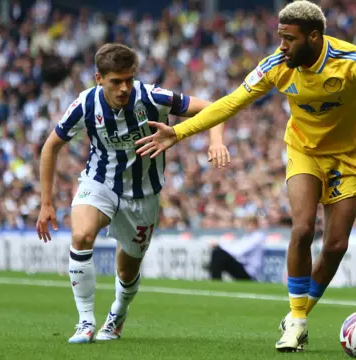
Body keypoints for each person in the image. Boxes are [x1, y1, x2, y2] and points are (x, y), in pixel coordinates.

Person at [136, 0, 356, 352]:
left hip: (347, 156)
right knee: (303, 228)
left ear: (313, 36)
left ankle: (300, 312)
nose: (281, 46)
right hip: (303, 152)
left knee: (337, 245)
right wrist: (179, 132)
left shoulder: (351, 60)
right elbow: (230, 102)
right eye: (280, 37)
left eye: (289, 39)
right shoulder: (276, 65)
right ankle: (296, 321)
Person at [35, 43, 229, 344]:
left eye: (128, 79)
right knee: (81, 235)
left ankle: (118, 312)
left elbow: (214, 107)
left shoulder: (152, 97)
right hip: (99, 183)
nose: (124, 88)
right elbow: (50, 147)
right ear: (99, 78)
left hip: (143, 195)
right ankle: (85, 321)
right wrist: (46, 203)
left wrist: (215, 141)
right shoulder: (85, 104)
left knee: (126, 270)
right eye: (116, 81)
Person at [209, 217, 266, 281]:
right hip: (244, 268)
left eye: (251, 224)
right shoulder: (247, 236)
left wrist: (220, 244)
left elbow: (238, 251)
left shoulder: (258, 237)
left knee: (218, 254)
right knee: (217, 253)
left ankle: (216, 282)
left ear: (256, 225)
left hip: (250, 273)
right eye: (247, 224)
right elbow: (235, 247)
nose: (248, 227)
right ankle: (215, 280)